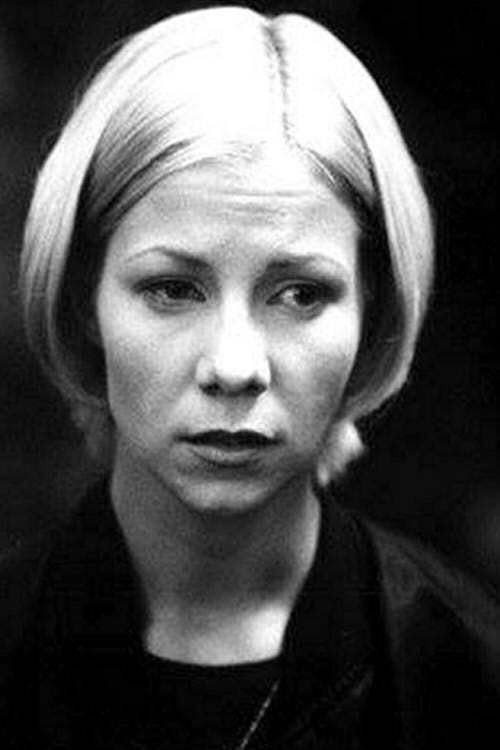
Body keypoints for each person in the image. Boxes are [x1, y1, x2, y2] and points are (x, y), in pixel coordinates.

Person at [1, 5, 499, 749]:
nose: (235, 367)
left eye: (300, 294)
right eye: (173, 289)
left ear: (375, 315)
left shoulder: (466, 678)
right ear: (83, 303)